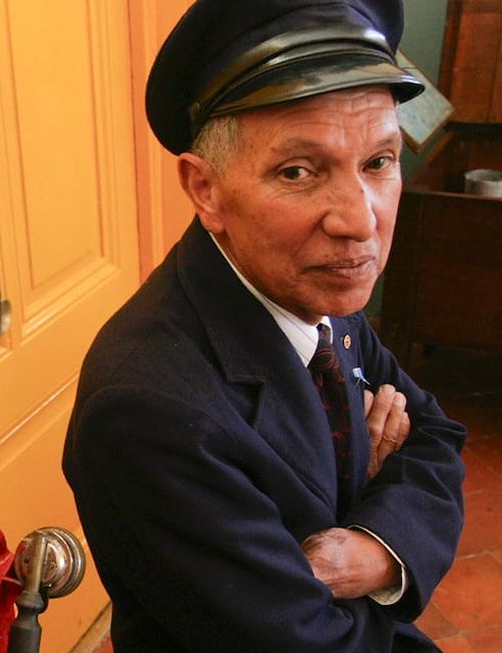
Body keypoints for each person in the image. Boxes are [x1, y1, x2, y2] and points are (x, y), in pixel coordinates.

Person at [62, 1, 467, 651]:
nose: (359, 221)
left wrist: (376, 552)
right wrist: (372, 487)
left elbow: (436, 438)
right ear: (206, 189)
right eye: (299, 171)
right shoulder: (151, 407)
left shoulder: (311, 278)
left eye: (378, 162)